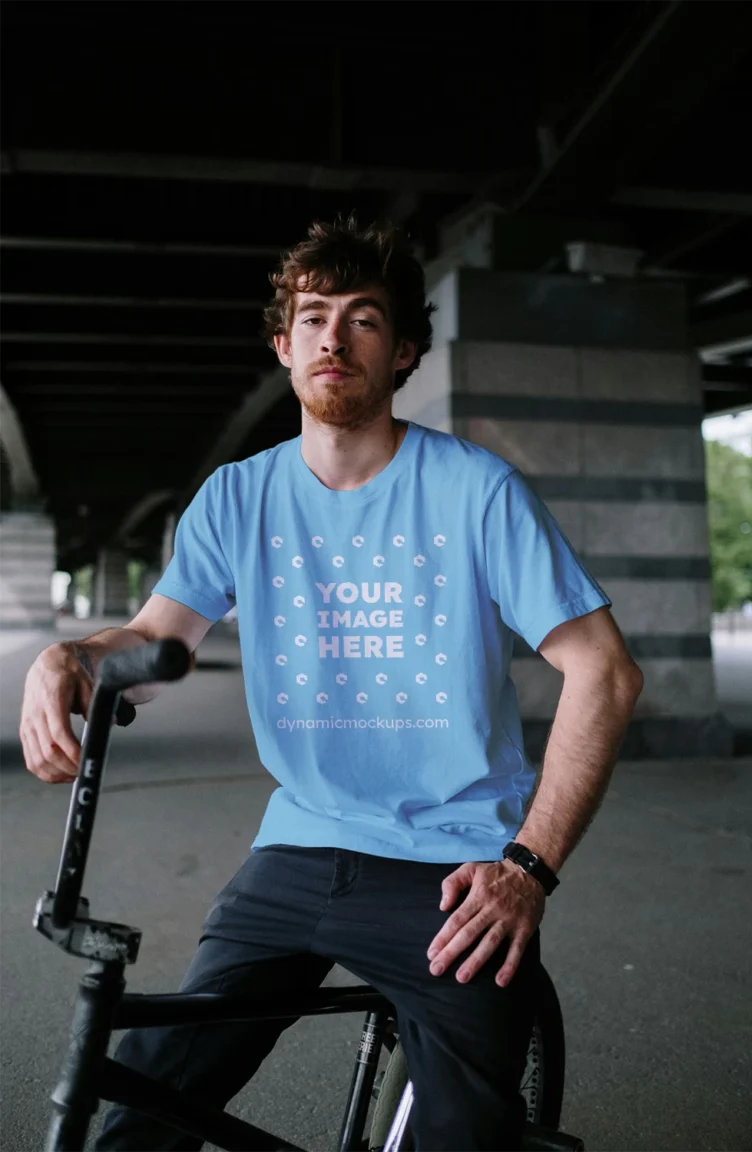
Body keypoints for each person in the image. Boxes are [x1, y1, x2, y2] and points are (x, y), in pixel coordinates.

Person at [21, 215, 643, 1152]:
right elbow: (158, 644)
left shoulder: (475, 491)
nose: (332, 337)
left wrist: (527, 869)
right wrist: (67, 658)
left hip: (456, 862)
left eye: (362, 319)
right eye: (313, 317)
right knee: (142, 1100)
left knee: (463, 1135)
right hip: (301, 845)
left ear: (403, 352)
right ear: (283, 345)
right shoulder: (238, 496)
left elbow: (605, 670)